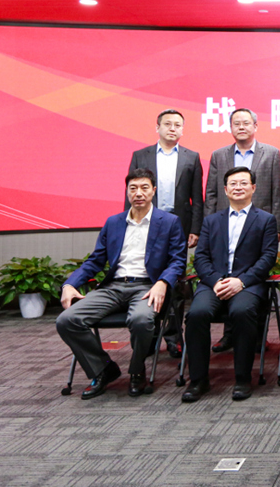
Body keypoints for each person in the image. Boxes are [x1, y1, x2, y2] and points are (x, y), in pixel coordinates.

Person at [57, 169, 186, 399]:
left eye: (144, 188)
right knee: (67, 320)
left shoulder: (169, 222)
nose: (139, 193)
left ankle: (137, 371)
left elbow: (178, 260)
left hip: (147, 286)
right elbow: (95, 260)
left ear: (153, 191)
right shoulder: (114, 222)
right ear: (127, 192)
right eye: (133, 188)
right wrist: (69, 284)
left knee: (140, 320)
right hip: (114, 287)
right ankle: (103, 369)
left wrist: (163, 282)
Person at [182, 166, 277, 402]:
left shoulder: (266, 220)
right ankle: (198, 379)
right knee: (196, 314)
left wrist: (241, 281)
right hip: (213, 283)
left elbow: (267, 258)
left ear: (253, 188)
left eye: (243, 183)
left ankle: (243, 378)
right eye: (233, 184)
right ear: (225, 190)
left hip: (248, 284)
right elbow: (200, 257)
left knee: (242, 312)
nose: (238, 187)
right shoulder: (211, 221)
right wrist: (216, 281)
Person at [204, 108, 280, 353]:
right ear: (230, 127)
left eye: (246, 123)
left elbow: (277, 191)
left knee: (254, 278)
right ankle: (229, 335)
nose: (241, 127)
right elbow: (211, 193)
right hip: (225, 225)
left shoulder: (271, 153)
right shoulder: (219, 155)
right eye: (236, 123)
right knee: (227, 274)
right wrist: (208, 226)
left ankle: (257, 336)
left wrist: (277, 226)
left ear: (255, 126)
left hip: (260, 227)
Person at [125, 109, 204, 357]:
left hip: (178, 225)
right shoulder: (141, 155)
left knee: (176, 282)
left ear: (182, 129)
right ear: (157, 127)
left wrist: (195, 229)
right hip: (147, 224)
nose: (172, 128)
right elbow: (131, 194)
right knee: (147, 277)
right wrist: (128, 225)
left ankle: (173, 336)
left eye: (177, 125)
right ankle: (148, 334)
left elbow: (197, 198)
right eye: (167, 124)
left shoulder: (192, 157)